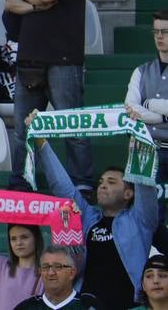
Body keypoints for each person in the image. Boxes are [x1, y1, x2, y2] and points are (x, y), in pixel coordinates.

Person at [8, 0, 91, 189]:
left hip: (62, 58)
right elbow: (10, 2)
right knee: (23, 129)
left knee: (72, 125)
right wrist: (35, 4)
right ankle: (21, 181)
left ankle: (81, 183)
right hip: (29, 57)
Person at [34, 133, 153, 310]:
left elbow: (144, 186)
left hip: (128, 305)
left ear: (129, 193)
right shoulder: (89, 218)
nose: (103, 185)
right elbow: (62, 186)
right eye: (101, 182)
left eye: (111, 182)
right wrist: (41, 143)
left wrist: (139, 140)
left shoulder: (140, 220)